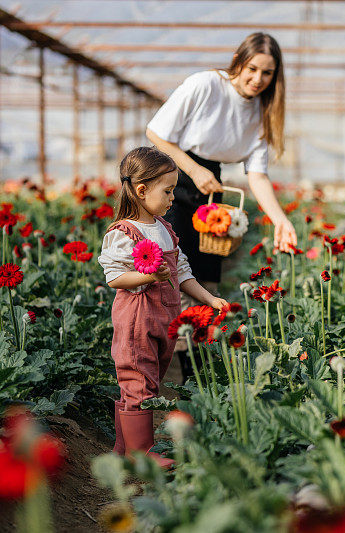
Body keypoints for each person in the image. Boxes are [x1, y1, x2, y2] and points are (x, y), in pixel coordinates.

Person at [146, 32, 297, 377]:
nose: (258, 79)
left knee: (207, 280)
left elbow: (257, 176)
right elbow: (156, 133)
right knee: (176, 273)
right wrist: (194, 169)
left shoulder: (263, 112)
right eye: (252, 68)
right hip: (171, 177)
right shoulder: (205, 85)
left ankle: (193, 365)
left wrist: (281, 220)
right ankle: (171, 368)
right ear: (238, 61)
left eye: (267, 73)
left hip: (209, 183)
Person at [97, 146, 227, 466]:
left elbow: (183, 272)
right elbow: (114, 277)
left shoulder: (165, 229)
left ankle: (123, 447)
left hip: (164, 319)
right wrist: (147, 274)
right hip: (137, 320)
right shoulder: (124, 232)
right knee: (138, 380)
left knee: (147, 381)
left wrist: (210, 299)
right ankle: (142, 454)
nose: (173, 197)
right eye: (167, 191)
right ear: (141, 191)